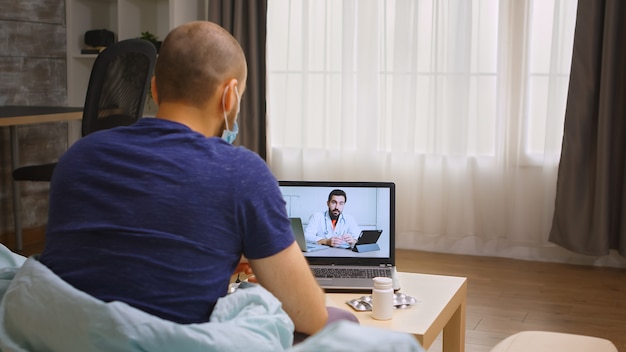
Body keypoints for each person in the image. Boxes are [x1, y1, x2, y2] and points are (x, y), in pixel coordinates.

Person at [39, 21, 354, 338]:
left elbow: (114, 258)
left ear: (155, 88)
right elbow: (310, 316)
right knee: (340, 322)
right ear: (230, 96)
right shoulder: (242, 173)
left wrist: (217, 253)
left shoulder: (78, 157)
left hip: (65, 338)